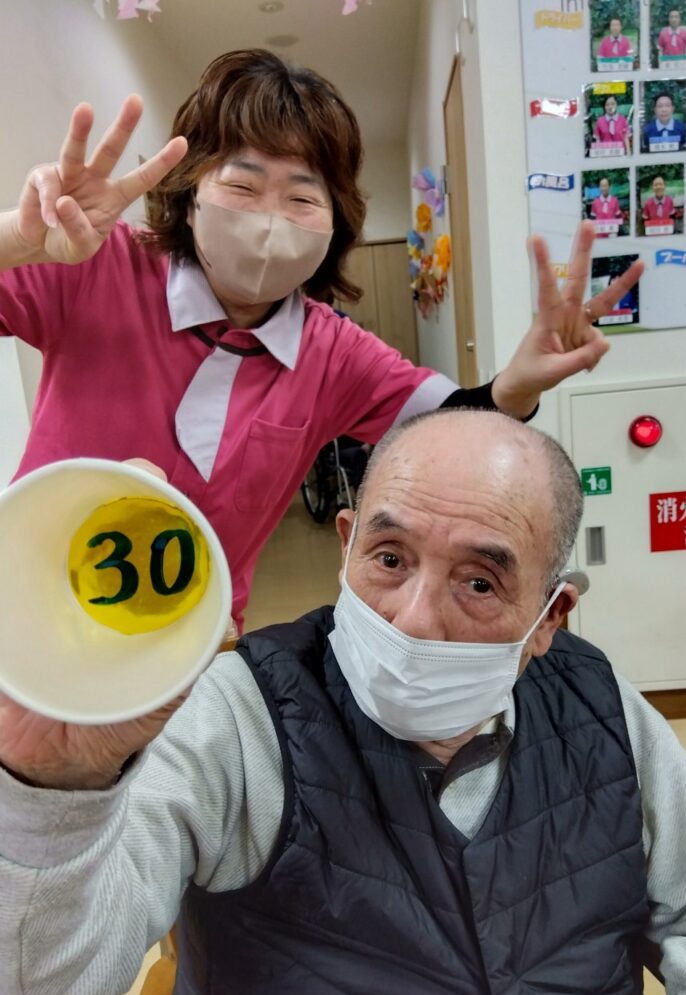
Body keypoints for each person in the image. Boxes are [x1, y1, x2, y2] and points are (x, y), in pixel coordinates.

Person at [0, 408, 686, 995]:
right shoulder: (240, 712)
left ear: (550, 617)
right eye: (390, 558)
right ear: (347, 546)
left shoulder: (594, 699)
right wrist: (50, 783)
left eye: (478, 582)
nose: (413, 617)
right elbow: (43, 989)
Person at [0, 49, 636, 632]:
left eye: (302, 197)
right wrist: (20, 241)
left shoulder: (333, 353)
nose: (270, 220)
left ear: (336, 225)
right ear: (190, 198)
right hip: (24, 608)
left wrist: (516, 385)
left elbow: (455, 423)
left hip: (193, 639)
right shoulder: (95, 264)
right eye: (242, 186)